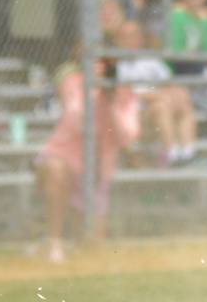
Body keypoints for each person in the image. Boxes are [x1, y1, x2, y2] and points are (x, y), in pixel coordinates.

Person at [36, 36, 141, 264]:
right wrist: (94, 92)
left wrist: (110, 102)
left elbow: (127, 136)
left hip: (97, 169)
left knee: (93, 249)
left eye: (103, 61)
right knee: (55, 169)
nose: (98, 66)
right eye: (93, 61)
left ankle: (75, 241)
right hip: (64, 157)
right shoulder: (73, 81)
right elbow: (77, 120)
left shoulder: (122, 91)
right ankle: (54, 241)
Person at [114, 19, 197, 166]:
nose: (130, 40)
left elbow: (169, 83)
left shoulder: (150, 59)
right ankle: (173, 155)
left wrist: (173, 93)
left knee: (180, 98)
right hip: (135, 114)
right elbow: (123, 94)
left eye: (134, 35)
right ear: (118, 39)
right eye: (125, 36)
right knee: (160, 106)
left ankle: (187, 153)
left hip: (159, 105)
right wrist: (154, 94)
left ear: (140, 38)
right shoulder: (115, 64)